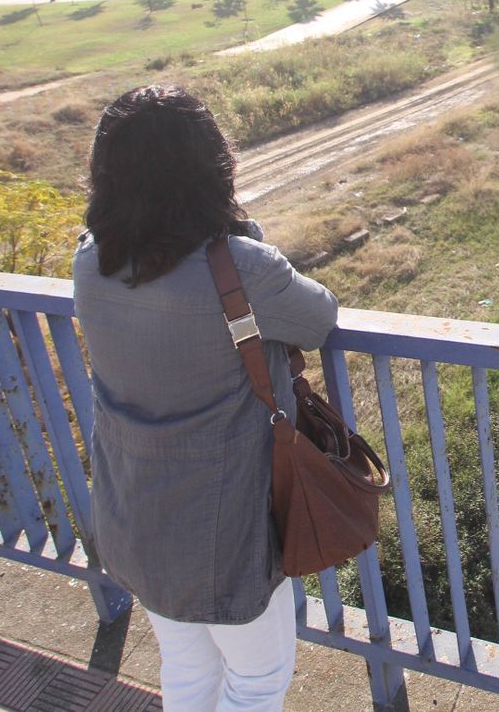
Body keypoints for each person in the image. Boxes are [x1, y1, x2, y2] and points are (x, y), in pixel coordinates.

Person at [73, 84, 338, 711]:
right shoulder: (241, 268)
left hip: (135, 517)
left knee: (188, 669)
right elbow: (318, 317)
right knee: (257, 680)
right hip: (225, 529)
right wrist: (245, 236)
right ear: (211, 166)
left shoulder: (89, 261)